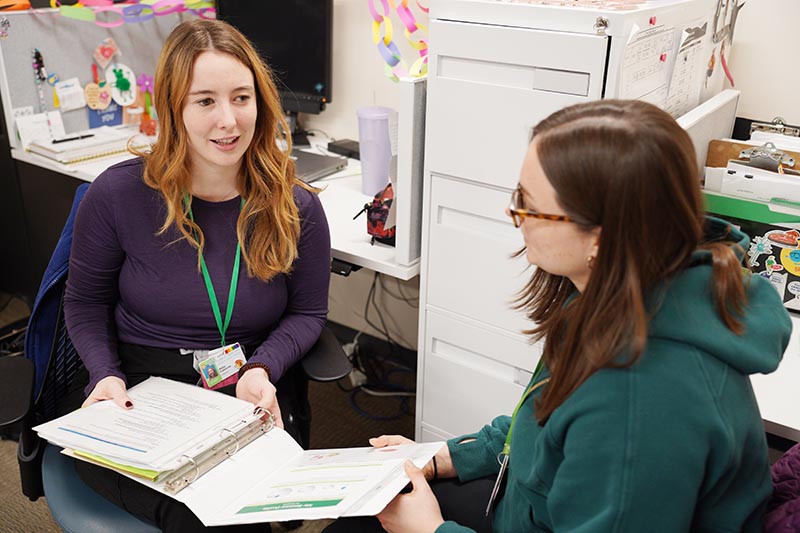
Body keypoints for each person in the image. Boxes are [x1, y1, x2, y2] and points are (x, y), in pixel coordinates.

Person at [326, 99, 792, 533]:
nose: (515, 214)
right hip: (534, 505)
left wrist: (430, 530)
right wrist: (443, 457)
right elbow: (544, 419)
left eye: (531, 205)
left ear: (600, 237)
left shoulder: (637, 407)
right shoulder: (621, 288)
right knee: (360, 510)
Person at [63, 19, 331, 532]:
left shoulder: (294, 207)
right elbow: (85, 303)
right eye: (205, 101)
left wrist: (263, 367)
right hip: (138, 389)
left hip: (246, 384)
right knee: (199, 513)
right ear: (173, 109)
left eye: (241, 97)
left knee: (236, 507)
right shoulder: (118, 197)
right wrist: (105, 374)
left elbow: (308, 311)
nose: (228, 120)